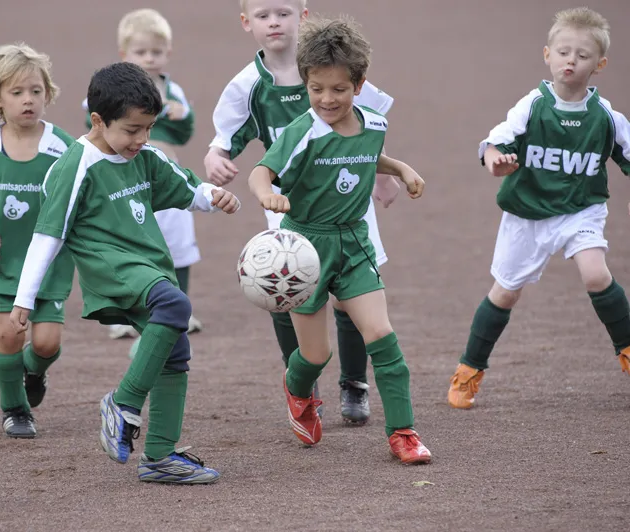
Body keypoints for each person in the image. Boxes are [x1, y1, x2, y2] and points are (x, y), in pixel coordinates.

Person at [12, 62, 240, 483]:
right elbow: (47, 236)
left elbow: (186, 187)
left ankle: (159, 457)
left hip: (148, 266)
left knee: (176, 352)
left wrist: (215, 196)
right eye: (132, 130)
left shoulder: (146, 157)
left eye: (148, 128)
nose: (142, 139)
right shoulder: (75, 166)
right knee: (176, 304)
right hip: (111, 267)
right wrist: (25, 299)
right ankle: (123, 403)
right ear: (98, 120)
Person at [204, 0, 401, 423]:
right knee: (284, 289)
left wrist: (384, 176)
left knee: (352, 300)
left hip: (348, 206)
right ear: (247, 23)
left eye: (283, 12)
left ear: (303, 16)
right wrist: (215, 156)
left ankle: (354, 383)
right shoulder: (247, 85)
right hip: (289, 207)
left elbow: (370, 124)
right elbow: (227, 137)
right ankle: (302, 381)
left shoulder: (333, 62)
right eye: (263, 15)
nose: (274, 22)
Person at [247, 16, 432, 464]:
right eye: (317, 89)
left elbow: (370, 155)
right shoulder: (301, 132)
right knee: (316, 354)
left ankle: (403, 432)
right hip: (304, 249)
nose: (327, 99)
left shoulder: (374, 123)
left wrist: (401, 168)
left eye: (339, 89)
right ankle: (298, 391)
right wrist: (267, 194)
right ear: (306, 84)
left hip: (353, 244)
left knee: (382, 336)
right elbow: (260, 171)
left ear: (359, 84)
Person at [448, 7, 630, 409]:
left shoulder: (607, 118)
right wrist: (496, 158)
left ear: (599, 65)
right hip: (527, 213)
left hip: (581, 209)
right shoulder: (532, 105)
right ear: (547, 54)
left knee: (596, 273)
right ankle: (469, 370)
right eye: (564, 51)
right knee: (505, 293)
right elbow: (497, 141)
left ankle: (627, 350)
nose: (571, 60)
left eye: (582, 55)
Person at [0, 43, 76, 438]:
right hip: (2, 260)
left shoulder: (62, 147)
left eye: (36, 91)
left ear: (47, 93)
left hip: (49, 263)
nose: (28, 100)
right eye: (17, 93)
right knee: (8, 335)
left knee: (45, 343)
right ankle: (15, 409)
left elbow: (79, 197)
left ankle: (32, 370)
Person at [91, 8, 204, 341]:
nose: (149, 59)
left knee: (178, 243)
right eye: (141, 52)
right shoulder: (111, 91)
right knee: (125, 243)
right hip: (125, 181)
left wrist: (183, 116)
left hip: (165, 179)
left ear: (168, 53)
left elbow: (184, 133)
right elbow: (93, 124)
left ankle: (180, 309)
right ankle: (123, 313)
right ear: (124, 54)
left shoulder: (174, 91)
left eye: (156, 52)